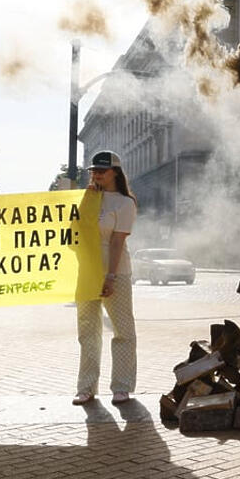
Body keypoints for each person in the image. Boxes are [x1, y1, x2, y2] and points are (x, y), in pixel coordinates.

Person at [73, 150, 138, 406]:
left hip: (116, 272)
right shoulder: (86, 199)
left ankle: (121, 386)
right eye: (93, 170)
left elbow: (117, 241)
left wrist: (110, 276)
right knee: (87, 331)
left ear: (115, 173)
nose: (97, 174)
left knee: (123, 330)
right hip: (86, 271)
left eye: (102, 170)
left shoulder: (124, 202)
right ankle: (86, 387)